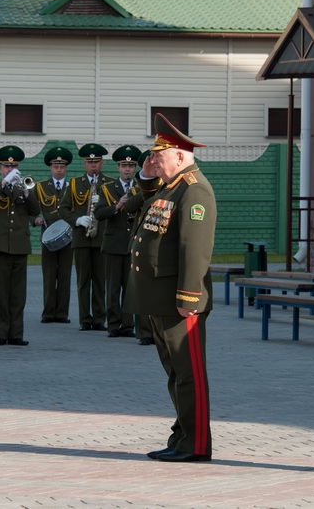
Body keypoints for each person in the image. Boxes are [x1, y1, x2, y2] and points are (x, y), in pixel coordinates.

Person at [124, 113, 216, 463]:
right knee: (175, 374)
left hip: (180, 301)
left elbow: (194, 249)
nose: (152, 161)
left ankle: (196, 444)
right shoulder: (171, 186)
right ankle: (181, 436)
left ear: (179, 156)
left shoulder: (194, 190)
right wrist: (148, 175)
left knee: (189, 374)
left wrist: (189, 297)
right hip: (160, 299)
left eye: (158, 156)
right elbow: (147, 201)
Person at [0, 145, 40, 346]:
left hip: (19, 244)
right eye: (6, 166)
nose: (10, 169)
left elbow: (35, 210)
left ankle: (16, 334)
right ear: (0, 168)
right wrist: (5, 182)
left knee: (17, 293)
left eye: (13, 166)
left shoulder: (24, 187)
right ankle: (1, 333)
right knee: (1, 291)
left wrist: (25, 190)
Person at [59, 143, 113, 331]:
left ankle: (99, 318)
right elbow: (63, 209)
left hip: (102, 239)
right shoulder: (74, 183)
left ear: (102, 163)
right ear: (84, 163)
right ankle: (85, 318)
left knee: (100, 280)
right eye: (89, 162)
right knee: (83, 281)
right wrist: (76, 220)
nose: (93, 165)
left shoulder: (109, 183)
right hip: (82, 238)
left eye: (96, 162)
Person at [94, 144, 140, 338]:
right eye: (123, 166)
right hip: (113, 244)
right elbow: (98, 213)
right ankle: (113, 324)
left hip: (131, 244)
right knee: (112, 288)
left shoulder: (140, 188)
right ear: (118, 168)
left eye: (131, 166)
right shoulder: (106, 188)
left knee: (129, 288)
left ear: (135, 168)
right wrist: (117, 206)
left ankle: (128, 325)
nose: (127, 170)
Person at [34, 146, 74, 324]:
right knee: (49, 275)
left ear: (66, 168)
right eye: (56, 166)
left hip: (69, 237)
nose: (59, 170)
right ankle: (48, 312)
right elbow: (32, 208)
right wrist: (36, 218)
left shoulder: (73, 186)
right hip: (48, 236)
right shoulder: (41, 186)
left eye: (62, 167)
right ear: (50, 167)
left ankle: (62, 313)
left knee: (65, 275)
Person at [122, 149, 155, 346]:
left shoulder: (169, 188)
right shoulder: (137, 189)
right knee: (141, 291)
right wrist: (147, 188)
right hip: (140, 243)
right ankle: (144, 331)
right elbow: (129, 206)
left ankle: (158, 330)